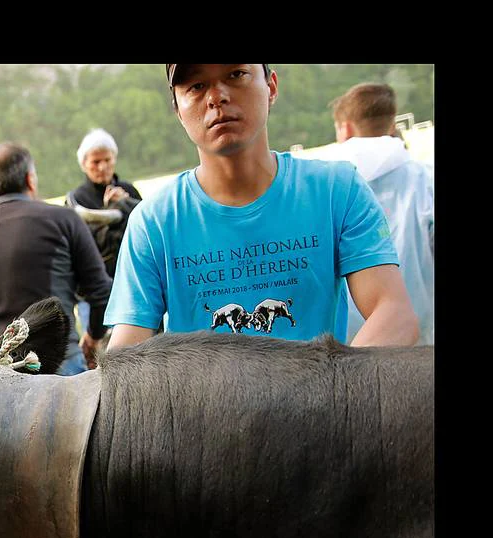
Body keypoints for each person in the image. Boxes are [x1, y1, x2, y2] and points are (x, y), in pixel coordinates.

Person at [105, 64, 419, 350]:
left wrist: (330, 394)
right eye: (196, 86)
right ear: (177, 109)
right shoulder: (153, 223)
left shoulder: (337, 190)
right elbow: (125, 355)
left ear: (271, 86)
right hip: (206, 413)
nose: (217, 97)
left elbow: (393, 314)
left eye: (235, 74)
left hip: (322, 406)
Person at [0, 141, 112, 372]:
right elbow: (101, 293)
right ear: (30, 179)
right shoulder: (63, 220)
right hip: (57, 368)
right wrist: (93, 337)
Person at [328, 82, 434, 344]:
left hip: (348, 350)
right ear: (390, 124)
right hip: (422, 345)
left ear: (346, 127)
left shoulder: (324, 190)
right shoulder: (427, 181)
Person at [67, 128, 143, 278]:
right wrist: (109, 208)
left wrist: (126, 203)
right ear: (84, 165)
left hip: (136, 269)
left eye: (107, 160)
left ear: (114, 159)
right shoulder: (76, 200)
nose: (102, 167)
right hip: (103, 277)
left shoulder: (129, 190)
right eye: (95, 162)